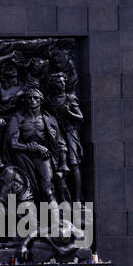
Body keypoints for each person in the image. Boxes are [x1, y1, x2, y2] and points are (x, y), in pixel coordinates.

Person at [6, 88, 69, 204]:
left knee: (47, 190)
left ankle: (52, 220)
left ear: (41, 100)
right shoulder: (17, 118)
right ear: (25, 101)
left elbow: (61, 143)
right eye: (29, 98)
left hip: (44, 157)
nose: (32, 101)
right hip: (23, 157)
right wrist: (34, 147)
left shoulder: (50, 120)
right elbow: (13, 144)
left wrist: (64, 164)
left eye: (36, 98)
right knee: (23, 191)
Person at [47, 72, 84, 203]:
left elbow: (80, 118)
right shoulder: (49, 99)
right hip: (54, 134)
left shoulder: (70, 98)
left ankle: (78, 199)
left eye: (63, 82)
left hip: (69, 132)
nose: (62, 84)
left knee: (73, 164)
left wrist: (68, 113)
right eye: (59, 82)